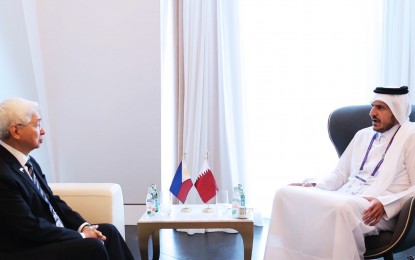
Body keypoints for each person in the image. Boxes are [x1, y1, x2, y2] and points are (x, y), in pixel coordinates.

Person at [264, 86, 415, 260]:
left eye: (380, 108)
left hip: (379, 209)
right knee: (284, 194)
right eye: (373, 106)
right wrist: (315, 185)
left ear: (397, 110)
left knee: (342, 208)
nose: (372, 112)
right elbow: (340, 174)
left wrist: (385, 203)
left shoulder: (411, 136)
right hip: (346, 197)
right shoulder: (362, 135)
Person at [0, 98, 134, 260]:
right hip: (25, 248)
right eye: (37, 125)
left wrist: (84, 227)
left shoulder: (27, 161)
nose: (43, 131)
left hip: (46, 235)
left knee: (109, 232)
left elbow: (53, 201)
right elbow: (28, 228)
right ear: (15, 131)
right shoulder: (4, 173)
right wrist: (81, 237)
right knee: (92, 245)